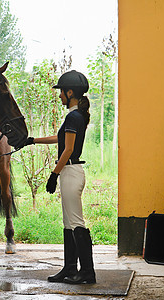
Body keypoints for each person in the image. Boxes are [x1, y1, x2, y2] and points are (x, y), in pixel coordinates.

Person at [24, 70, 96, 284]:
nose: (59, 96)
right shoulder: (74, 116)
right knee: (68, 224)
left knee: (76, 223)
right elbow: (60, 139)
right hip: (69, 172)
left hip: (71, 172)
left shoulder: (74, 116)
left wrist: (53, 175)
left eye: (61, 92)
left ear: (70, 92)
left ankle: (87, 272)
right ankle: (70, 268)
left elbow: (68, 149)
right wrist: (32, 140)